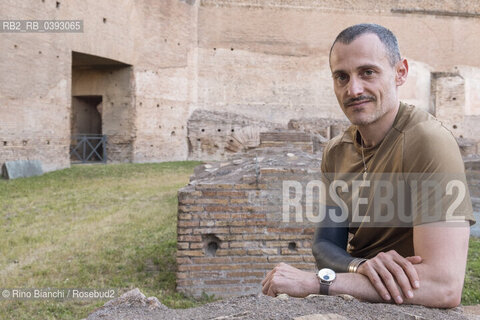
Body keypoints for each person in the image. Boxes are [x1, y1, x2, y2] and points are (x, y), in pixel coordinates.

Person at [261, 23, 476, 308]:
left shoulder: (429, 142)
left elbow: (444, 285)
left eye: (368, 72)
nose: (353, 89)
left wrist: (315, 282)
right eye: (341, 77)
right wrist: (360, 266)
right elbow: (325, 245)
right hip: (359, 297)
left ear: (400, 73)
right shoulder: (337, 150)